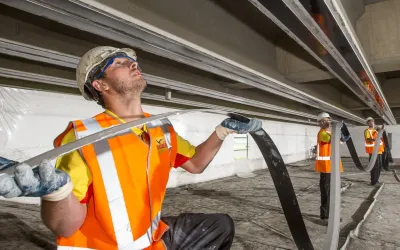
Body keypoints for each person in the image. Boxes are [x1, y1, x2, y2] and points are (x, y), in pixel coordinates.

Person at [0, 46, 263, 250]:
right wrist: (57, 193)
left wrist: (221, 132)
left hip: (150, 238)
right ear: (100, 85)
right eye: (118, 63)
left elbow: (196, 164)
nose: (132, 63)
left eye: (132, 61)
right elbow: (66, 226)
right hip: (111, 246)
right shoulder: (84, 136)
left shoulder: (161, 129)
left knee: (218, 226)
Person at [314, 112, 346, 224]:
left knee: (334, 192)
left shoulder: (330, 132)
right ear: (320, 123)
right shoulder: (322, 133)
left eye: (328, 119)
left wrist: (342, 138)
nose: (327, 121)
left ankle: (332, 215)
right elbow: (330, 139)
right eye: (324, 120)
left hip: (334, 167)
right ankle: (325, 216)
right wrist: (338, 130)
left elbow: (337, 142)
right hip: (326, 167)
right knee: (326, 193)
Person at [364, 117, 384, 186]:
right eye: (369, 121)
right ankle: (373, 181)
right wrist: (376, 137)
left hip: (379, 151)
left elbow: (381, 139)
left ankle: (376, 180)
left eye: (372, 121)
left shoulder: (376, 130)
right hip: (373, 152)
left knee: (379, 167)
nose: (371, 122)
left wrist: (380, 131)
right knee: (374, 167)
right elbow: (369, 140)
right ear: (367, 123)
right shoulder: (367, 131)